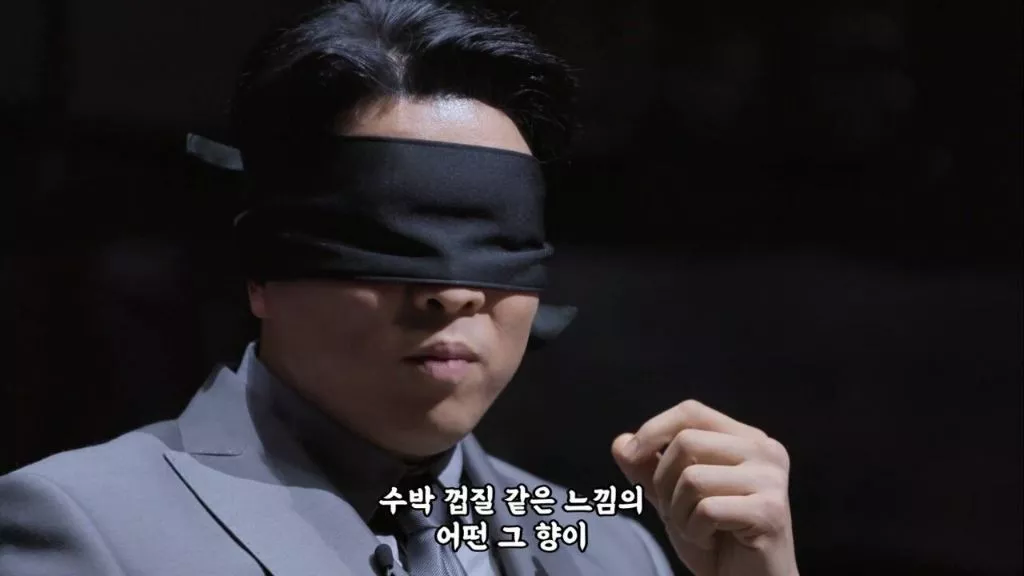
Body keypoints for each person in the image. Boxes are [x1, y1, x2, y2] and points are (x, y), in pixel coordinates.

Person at [0, 1, 800, 574]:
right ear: (262, 271)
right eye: (386, 236)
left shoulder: (612, 551)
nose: (453, 293)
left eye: (496, 242)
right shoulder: (80, 527)